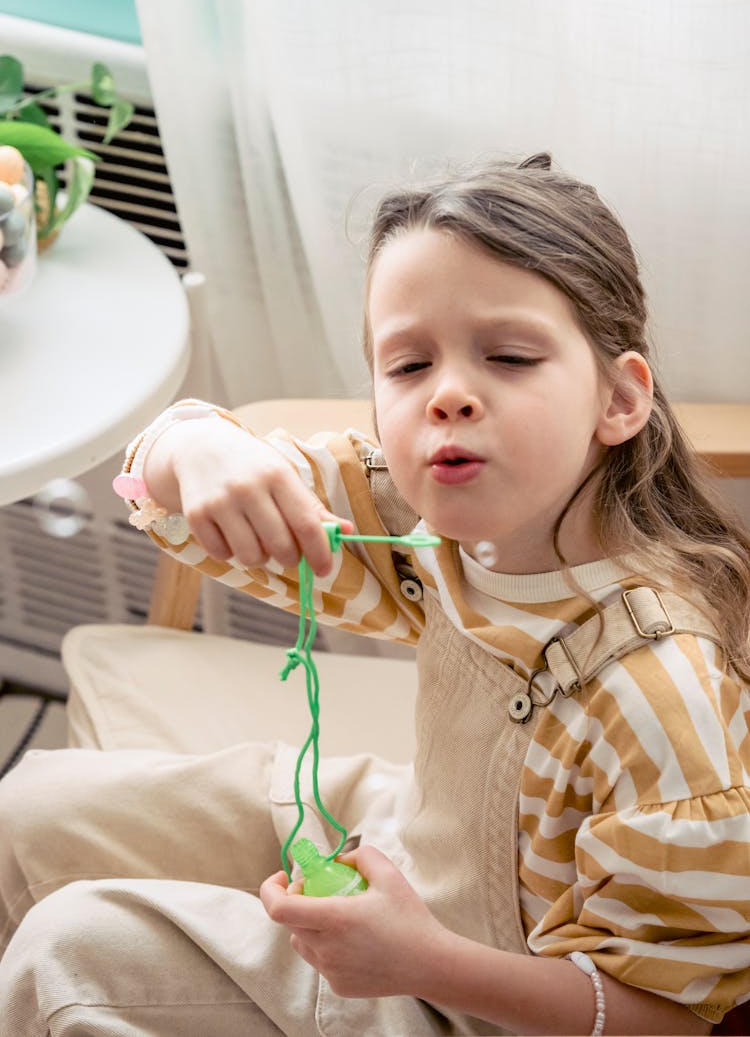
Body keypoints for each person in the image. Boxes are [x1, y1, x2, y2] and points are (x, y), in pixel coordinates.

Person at [1, 153, 750, 1036]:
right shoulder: (432, 519)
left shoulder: (661, 704)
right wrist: (195, 444)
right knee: (22, 815)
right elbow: (173, 486)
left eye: (508, 356)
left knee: (69, 949)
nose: (451, 396)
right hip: (405, 837)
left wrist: (417, 959)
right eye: (407, 366)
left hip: (473, 998)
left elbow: (674, 1020)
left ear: (619, 398)